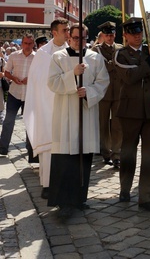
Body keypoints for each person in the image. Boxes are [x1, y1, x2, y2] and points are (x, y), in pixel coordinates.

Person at [47, 23, 109, 218]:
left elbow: (103, 82)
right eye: (75, 37)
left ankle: (79, 198)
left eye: (82, 38)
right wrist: (72, 76)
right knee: (65, 158)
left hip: (85, 114)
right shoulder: (58, 57)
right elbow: (52, 82)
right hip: (65, 115)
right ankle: (64, 201)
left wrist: (88, 91)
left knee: (83, 159)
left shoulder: (95, 58)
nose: (78, 41)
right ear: (68, 37)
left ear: (87, 38)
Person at [115, 17, 150, 213]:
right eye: (133, 34)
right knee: (128, 152)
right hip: (130, 112)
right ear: (126, 35)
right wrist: (147, 64)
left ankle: (146, 196)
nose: (137, 37)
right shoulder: (120, 55)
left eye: (139, 33)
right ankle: (124, 189)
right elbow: (129, 78)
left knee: (149, 156)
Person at [24, 18, 70, 199]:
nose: (67, 33)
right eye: (64, 30)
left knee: (65, 147)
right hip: (46, 106)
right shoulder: (43, 54)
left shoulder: (71, 50)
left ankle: (66, 184)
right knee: (48, 148)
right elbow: (38, 83)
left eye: (68, 30)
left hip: (66, 105)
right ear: (55, 32)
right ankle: (47, 184)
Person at [93, 21, 123, 168]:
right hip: (103, 92)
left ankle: (117, 154)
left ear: (115, 35)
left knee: (117, 124)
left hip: (118, 92)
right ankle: (105, 152)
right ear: (103, 36)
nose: (109, 38)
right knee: (103, 124)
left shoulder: (121, 49)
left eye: (111, 35)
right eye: (107, 35)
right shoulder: (96, 50)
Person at [0, 34, 35, 156]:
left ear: (33, 44)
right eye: (25, 43)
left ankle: (31, 149)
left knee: (30, 122)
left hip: (30, 95)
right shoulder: (14, 56)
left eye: (30, 43)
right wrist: (14, 78)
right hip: (14, 93)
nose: (27, 46)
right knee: (9, 121)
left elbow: (40, 76)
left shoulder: (37, 58)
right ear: (21, 44)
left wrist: (30, 79)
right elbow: (6, 72)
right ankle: (3, 148)